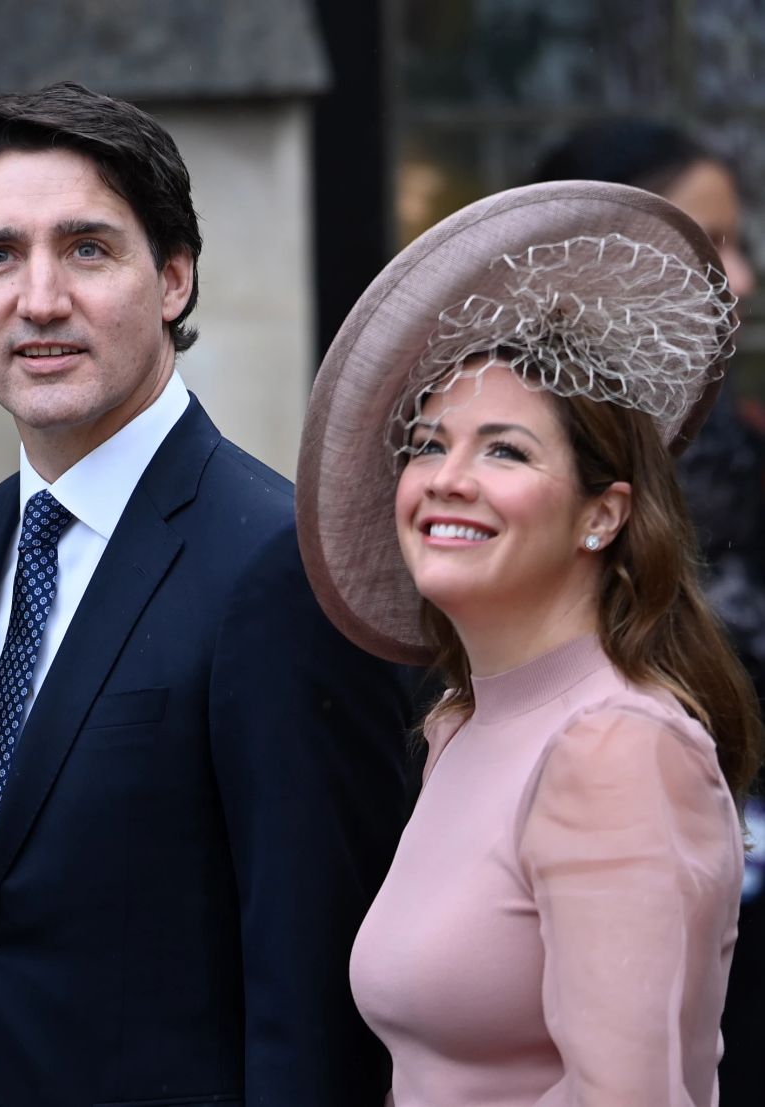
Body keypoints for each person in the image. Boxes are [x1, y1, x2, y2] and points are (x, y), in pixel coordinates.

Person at [0, 81, 413, 1107]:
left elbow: (316, 995)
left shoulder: (281, 565)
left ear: (174, 278)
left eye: (88, 248)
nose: (38, 298)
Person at [295, 180, 761, 1105]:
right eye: (427, 445)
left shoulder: (616, 748)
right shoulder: (460, 728)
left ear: (603, 514)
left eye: (504, 451)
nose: (446, 479)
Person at [532, 120, 765, 1104]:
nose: (742, 278)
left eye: (739, 241)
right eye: (711, 244)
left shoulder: (733, 452)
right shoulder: (528, 471)